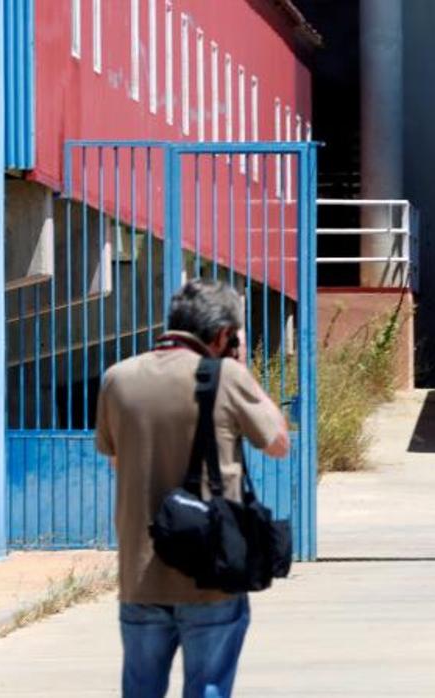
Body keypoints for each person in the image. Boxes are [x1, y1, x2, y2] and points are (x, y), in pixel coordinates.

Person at [96, 278, 290, 698]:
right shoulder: (227, 377)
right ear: (223, 334)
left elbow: (116, 459)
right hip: (211, 574)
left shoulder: (117, 379)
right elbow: (278, 442)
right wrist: (241, 368)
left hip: (141, 576)